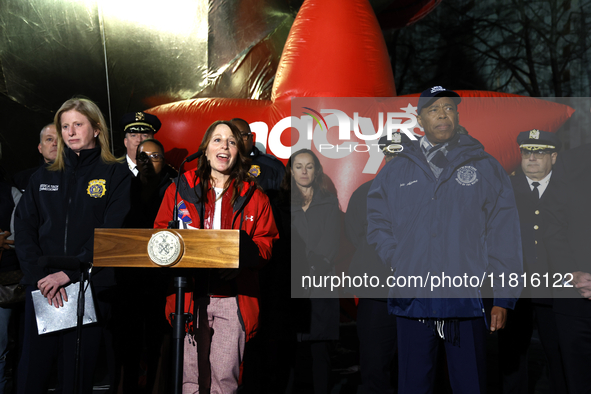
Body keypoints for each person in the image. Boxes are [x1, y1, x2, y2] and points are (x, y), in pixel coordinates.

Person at [366, 86, 522, 394]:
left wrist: (503, 297)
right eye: (434, 109)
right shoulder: (397, 168)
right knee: (414, 385)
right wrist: (396, 256)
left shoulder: (485, 166)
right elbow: (377, 219)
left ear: (457, 115)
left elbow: (504, 233)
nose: (442, 114)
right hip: (413, 300)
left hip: (465, 301)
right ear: (420, 119)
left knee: (470, 385)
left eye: (449, 108)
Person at [15, 97, 131, 394]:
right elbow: (25, 231)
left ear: (96, 128)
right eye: (64, 126)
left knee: (77, 378)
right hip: (43, 290)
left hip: (87, 288)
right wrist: (39, 279)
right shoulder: (43, 176)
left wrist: (72, 274)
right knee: (33, 376)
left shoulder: (115, 174)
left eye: (77, 124)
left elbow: (113, 232)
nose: (70, 132)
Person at [154, 120, 278, 394]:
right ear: (205, 150)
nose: (224, 146)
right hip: (189, 296)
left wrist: (242, 263)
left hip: (233, 299)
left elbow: (266, 244)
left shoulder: (255, 196)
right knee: (189, 382)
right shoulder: (179, 191)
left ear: (238, 153)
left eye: (231, 141)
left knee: (224, 382)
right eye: (217, 140)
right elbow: (160, 235)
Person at [498, 129, 567, 394]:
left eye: (539, 153)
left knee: (559, 353)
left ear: (554, 156)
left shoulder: (568, 188)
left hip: (557, 286)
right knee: (512, 356)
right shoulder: (505, 189)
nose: (532, 158)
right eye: (527, 152)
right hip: (517, 286)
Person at [346, 133, 408, 394]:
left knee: (411, 365)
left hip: (414, 293)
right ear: (385, 156)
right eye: (391, 153)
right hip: (375, 292)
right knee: (374, 365)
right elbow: (352, 235)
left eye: (401, 154)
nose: (395, 158)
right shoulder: (364, 193)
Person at [115, 138, 177, 393]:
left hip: (160, 280)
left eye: (155, 156)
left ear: (164, 161)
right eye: (143, 157)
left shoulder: (175, 189)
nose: (148, 161)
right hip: (127, 278)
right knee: (127, 341)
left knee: (156, 342)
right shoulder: (123, 187)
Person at [289, 148, 340, 394]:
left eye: (309, 166)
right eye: (298, 166)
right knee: (291, 352)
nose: (304, 171)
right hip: (290, 284)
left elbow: (331, 243)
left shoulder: (330, 203)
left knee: (320, 351)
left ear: (317, 170)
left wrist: (311, 268)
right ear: (291, 170)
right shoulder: (282, 203)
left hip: (321, 284)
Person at [542, 141, 591, 394]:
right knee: (576, 383)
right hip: (575, 300)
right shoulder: (568, 162)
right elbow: (551, 224)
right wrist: (573, 273)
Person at [230, 118, 285, 198]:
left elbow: (287, 204)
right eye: (232, 137)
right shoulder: (217, 167)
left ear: (251, 138)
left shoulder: (273, 167)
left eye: (242, 136)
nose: (238, 141)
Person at [13, 123, 58, 192]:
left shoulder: (77, 179)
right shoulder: (21, 180)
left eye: (60, 140)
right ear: (40, 148)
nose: (55, 143)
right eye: (49, 139)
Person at [120, 111, 161, 176]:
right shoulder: (112, 170)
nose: (139, 140)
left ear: (153, 141)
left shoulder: (166, 173)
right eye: (133, 135)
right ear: (126, 142)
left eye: (144, 135)